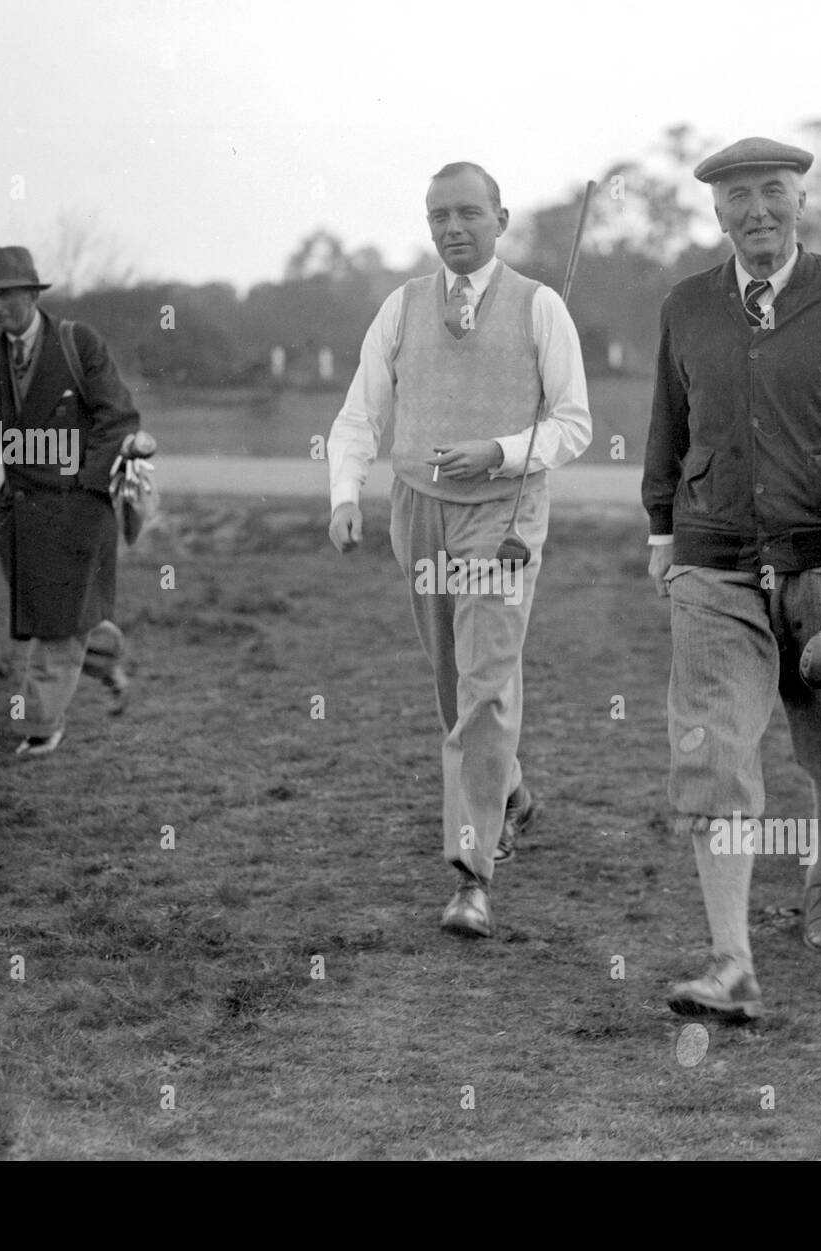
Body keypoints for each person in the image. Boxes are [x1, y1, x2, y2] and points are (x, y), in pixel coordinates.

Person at [642, 137, 821, 1019]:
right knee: (715, 752)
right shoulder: (687, 304)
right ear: (716, 212)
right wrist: (661, 529)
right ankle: (732, 962)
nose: (755, 210)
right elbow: (669, 424)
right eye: (737, 197)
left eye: (773, 192)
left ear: (802, 202)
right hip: (712, 559)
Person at [327, 162, 591, 937]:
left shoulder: (542, 307)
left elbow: (573, 423)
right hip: (419, 511)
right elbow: (359, 414)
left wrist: (502, 451)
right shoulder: (401, 308)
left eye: (469, 213)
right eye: (439, 215)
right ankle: (505, 783)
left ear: (501, 219)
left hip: (502, 513)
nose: (452, 228)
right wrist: (346, 494)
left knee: (483, 684)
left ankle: (471, 876)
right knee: (453, 680)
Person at [0, 246, 140, 757]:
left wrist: (87, 484)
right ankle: (106, 657)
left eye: (5, 295)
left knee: (54, 624)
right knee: (55, 613)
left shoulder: (77, 343)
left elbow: (120, 416)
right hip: (19, 518)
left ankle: (43, 727)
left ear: (31, 294)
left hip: (79, 512)